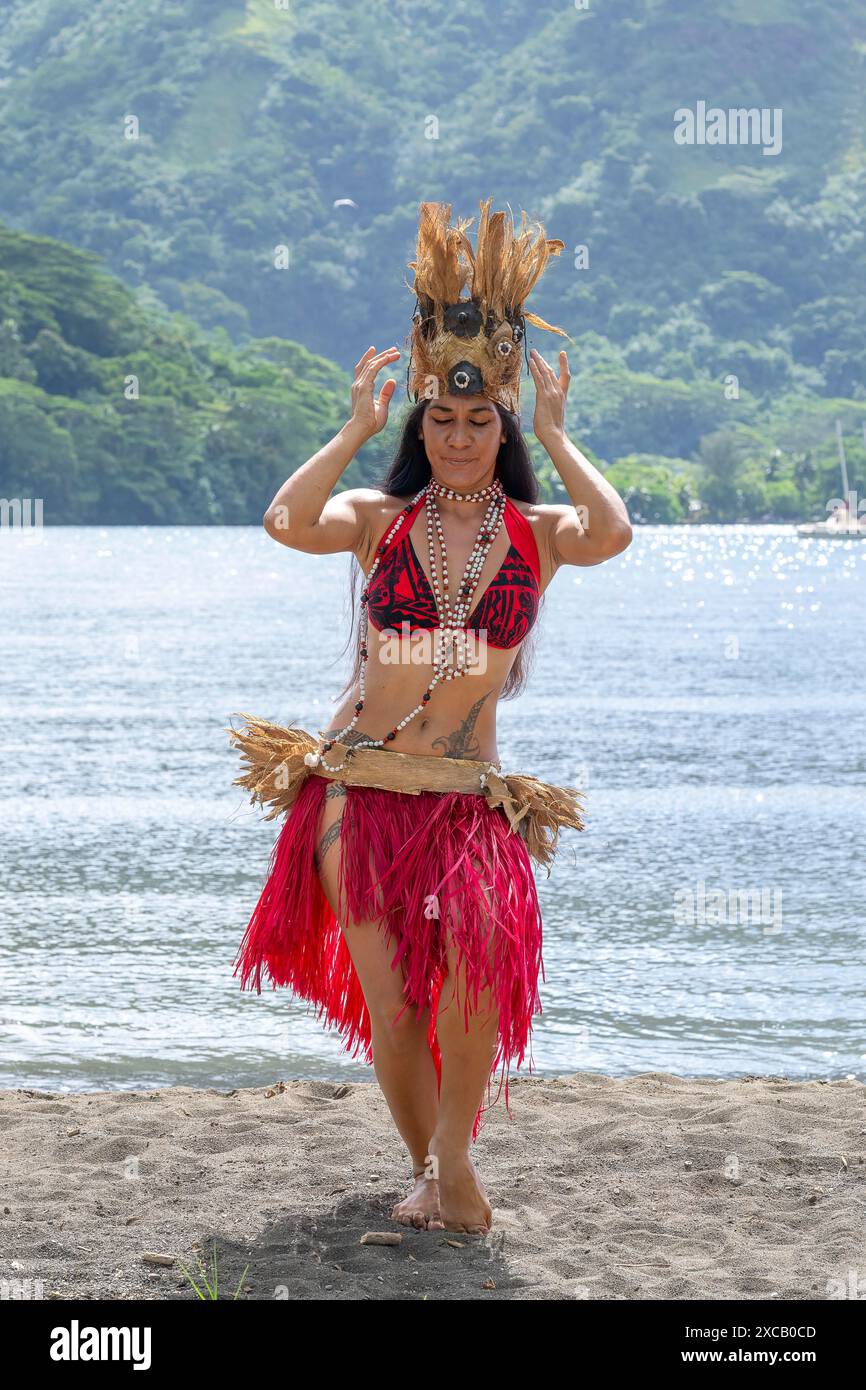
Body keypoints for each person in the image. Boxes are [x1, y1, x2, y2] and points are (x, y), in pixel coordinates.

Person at [228, 198, 632, 1236]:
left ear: (500, 428)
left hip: (464, 800)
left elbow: (615, 529)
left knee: (473, 981)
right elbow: (284, 520)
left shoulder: (539, 534)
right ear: (421, 425)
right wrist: (355, 426)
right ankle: (429, 1175)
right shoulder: (379, 521)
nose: (458, 437)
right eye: (439, 421)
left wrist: (556, 427)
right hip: (357, 798)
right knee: (395, 1009)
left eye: (477, 420)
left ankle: (453, 1163)